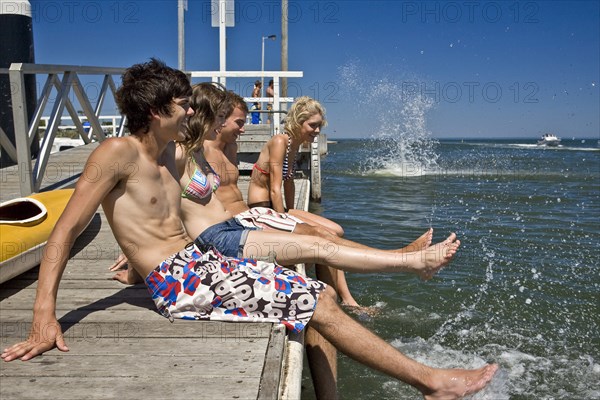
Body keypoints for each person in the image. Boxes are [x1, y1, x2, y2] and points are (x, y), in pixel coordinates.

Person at [2, 60, 499, 400]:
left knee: (316, 291)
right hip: (182, 283)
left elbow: (164, 214)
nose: (192, 111)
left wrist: (134, 258)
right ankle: (433, 382)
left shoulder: (171, 153)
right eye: (182, 104)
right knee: (317, 301)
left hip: (202, 264)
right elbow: (65, 232)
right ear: (156, 111)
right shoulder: (117, 155)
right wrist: (44, 316)